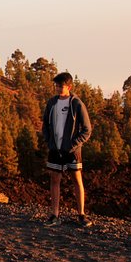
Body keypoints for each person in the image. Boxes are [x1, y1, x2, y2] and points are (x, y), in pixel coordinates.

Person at [42, 72, 93, 227]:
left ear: (69, 86)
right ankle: (54, 214)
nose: (58, 88)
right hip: (55, 148)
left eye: (61, 86)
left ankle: (81, 215)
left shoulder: (77, 103)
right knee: (55, 180)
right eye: (56, 85)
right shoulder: (51, 103)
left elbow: (87, 130)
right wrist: (49, 142)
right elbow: (45, 124)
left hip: (72, 151)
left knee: (77, 180)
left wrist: (73, 145)